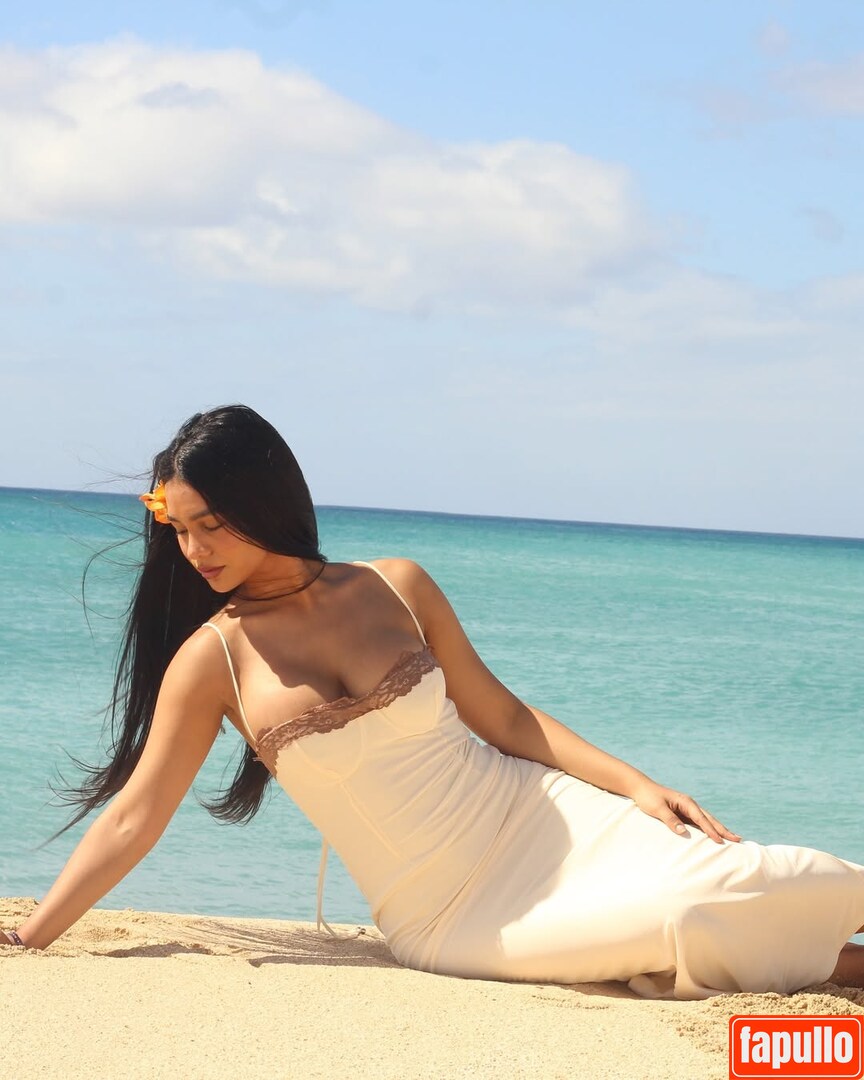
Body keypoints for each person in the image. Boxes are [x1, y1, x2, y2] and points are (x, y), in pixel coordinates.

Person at [3, 405, 863, 999]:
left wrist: (637, 784)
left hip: (541, 816)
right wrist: (34, 932)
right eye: (180, 530)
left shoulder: (396, 584)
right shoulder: (212, 660)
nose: (194, 550)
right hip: (449, 911)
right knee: (687, 915)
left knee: (769, 874)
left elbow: (505, 717)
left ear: (261, 503)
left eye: (210, 526)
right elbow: (137, 815)